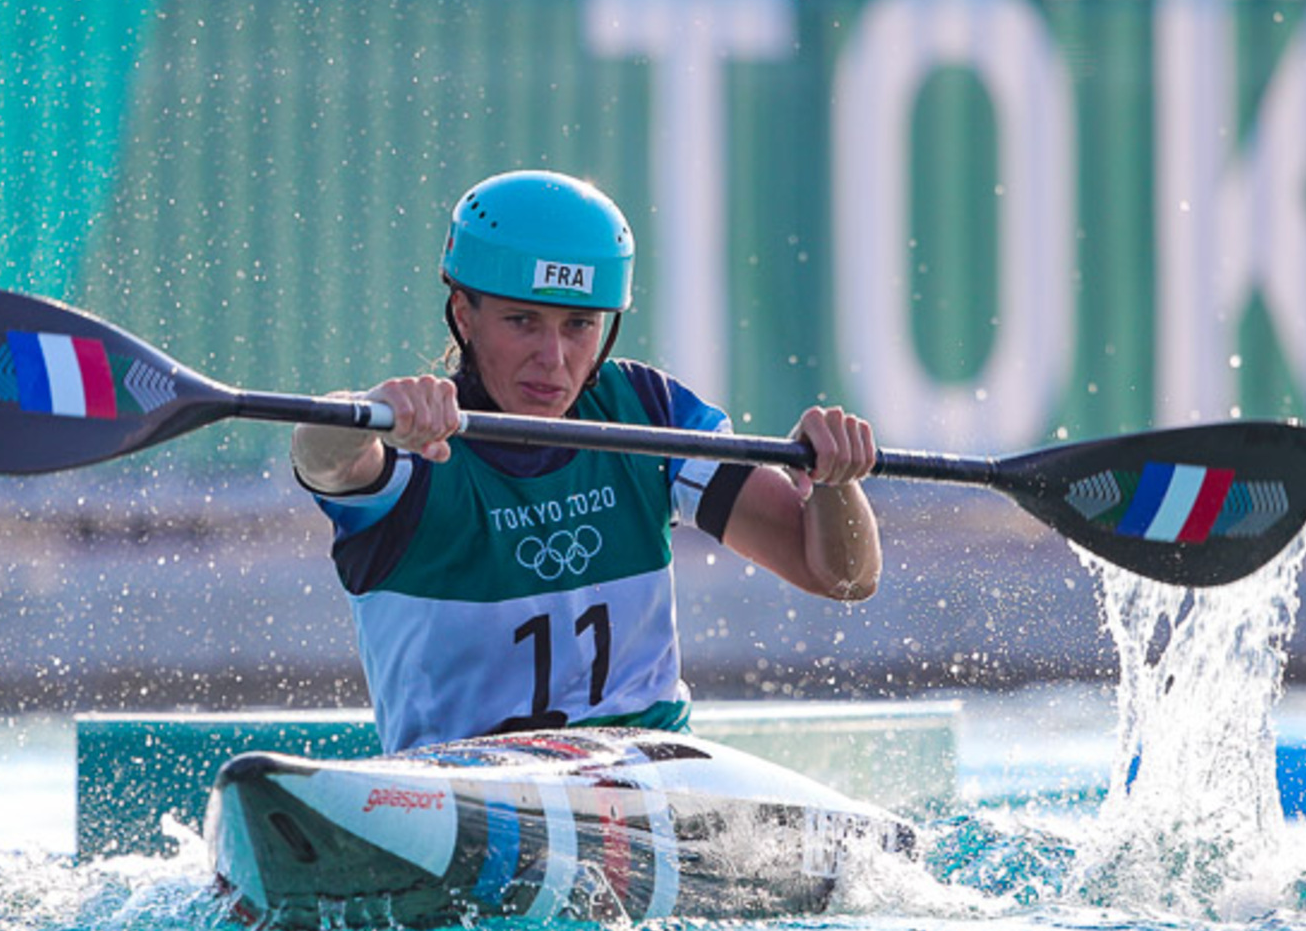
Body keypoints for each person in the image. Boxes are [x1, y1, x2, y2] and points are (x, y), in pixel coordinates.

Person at [292, 170, 880, 753]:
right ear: (464, 316)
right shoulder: (411, 447)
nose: (554, 359)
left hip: (654, 772)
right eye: (522, 321)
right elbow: (324, 461)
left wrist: (837, 483)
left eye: (580, 326)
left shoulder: (646, 413)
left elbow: (843, 577)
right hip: (465, 787)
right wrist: (363, 413)